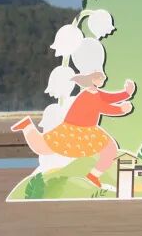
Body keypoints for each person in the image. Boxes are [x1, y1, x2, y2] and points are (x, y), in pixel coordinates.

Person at [12, 38, 135, 188]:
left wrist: (126, 94)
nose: (103, 79)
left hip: (85, 129)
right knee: (45, 147)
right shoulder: (89, 95)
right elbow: (104, 107)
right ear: (91, 78)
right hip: (77, 130)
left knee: (108, 149)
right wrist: (121, 109)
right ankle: (27, 127)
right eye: (99, 77)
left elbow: (108, 98)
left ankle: (93, 175)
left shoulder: (94, 93)